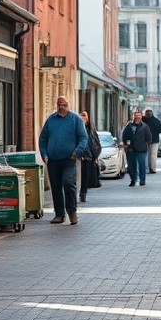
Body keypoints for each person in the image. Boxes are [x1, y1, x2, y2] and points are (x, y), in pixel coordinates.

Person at [38, 96, 87, 225]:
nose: (62, 108)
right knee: (56, 187)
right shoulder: (51, 120)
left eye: (64, 105)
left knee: (68, 183)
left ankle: (72, 212)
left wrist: (77, 152)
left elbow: (83, 137)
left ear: (68, 105)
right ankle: (59, 214)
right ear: (56, 105)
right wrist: (44, 154)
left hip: (69, 159)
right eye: (60, 105)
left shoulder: (75, 119)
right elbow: (43, 138)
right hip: (53, 160)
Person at [121, 110, 152, 187]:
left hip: (142, 149)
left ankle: (142, 180)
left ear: (141, 116)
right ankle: (133, 180)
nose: (137, 117)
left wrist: (145, 144)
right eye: (136, 115)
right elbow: (124, 135)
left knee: (142, 165)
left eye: (139, 115)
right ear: (133, 116)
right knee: (131, 166)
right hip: (131, 148)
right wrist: (126, 143)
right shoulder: (129, 126)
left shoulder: (145, 126)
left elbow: (149, 138)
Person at [78, 111, 102, 203]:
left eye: (84, 116)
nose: (82, 118)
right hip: (79, 157)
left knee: (85, 178)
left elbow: (96, 144)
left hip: (88, 157)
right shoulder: (77, 129)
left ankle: (83, 193)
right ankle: (79, 193)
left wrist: (95, 154)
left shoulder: (91, 131)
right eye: (80, 116)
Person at [142, 108, 161, 173]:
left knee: (146, 155)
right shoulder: (156, 121)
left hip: (144, 140)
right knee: (153, 155)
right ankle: (152, 168)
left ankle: (147, 168)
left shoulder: (142, 120)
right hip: (154, 140)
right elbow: (160, 130)